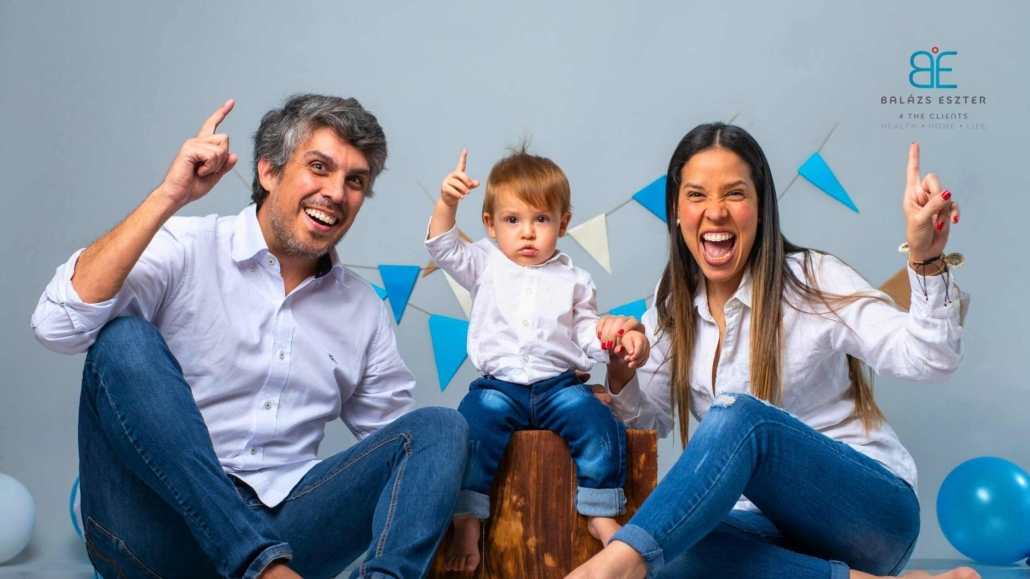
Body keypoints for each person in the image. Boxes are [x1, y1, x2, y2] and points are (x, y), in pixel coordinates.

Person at [31, 94, 469, 579]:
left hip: (288, 532)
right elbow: (56, 327)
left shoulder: (363, 308)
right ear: (269, 171)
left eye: (355, 181)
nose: (336, 193)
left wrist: (464, 513)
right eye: (319, 167)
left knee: (440, 428)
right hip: (154, 533)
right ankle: (258, 567)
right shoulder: (186, 247)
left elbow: (405, 449)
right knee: (123, 341)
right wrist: (168, 197)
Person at [567, 124, 978, 579]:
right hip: (770, 530)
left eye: (735, 194)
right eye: (697, 195)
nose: (715, 212)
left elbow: (930, 360)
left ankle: (610, 569)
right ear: (677, 212)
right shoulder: (671, 307)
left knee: (739, 418)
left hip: (871, 519)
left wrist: (927, 260)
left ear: (761, 208)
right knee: (671, 544)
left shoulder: (811, 280)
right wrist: (622, 373)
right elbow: (645, 425)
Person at [425, 147, 650, 572]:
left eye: (541, 219)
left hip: (558, 386)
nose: (527, 233)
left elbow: (585, 333)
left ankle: (600, 508)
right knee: (470, 433)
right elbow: (442, 245)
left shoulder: (574, 279)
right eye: (512, 220)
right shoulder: (484, 263)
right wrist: (448, 202)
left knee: (598, 424)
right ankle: (467, 518)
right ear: (490, 224)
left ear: (563, 224)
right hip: (498, 387)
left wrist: (615, 338)